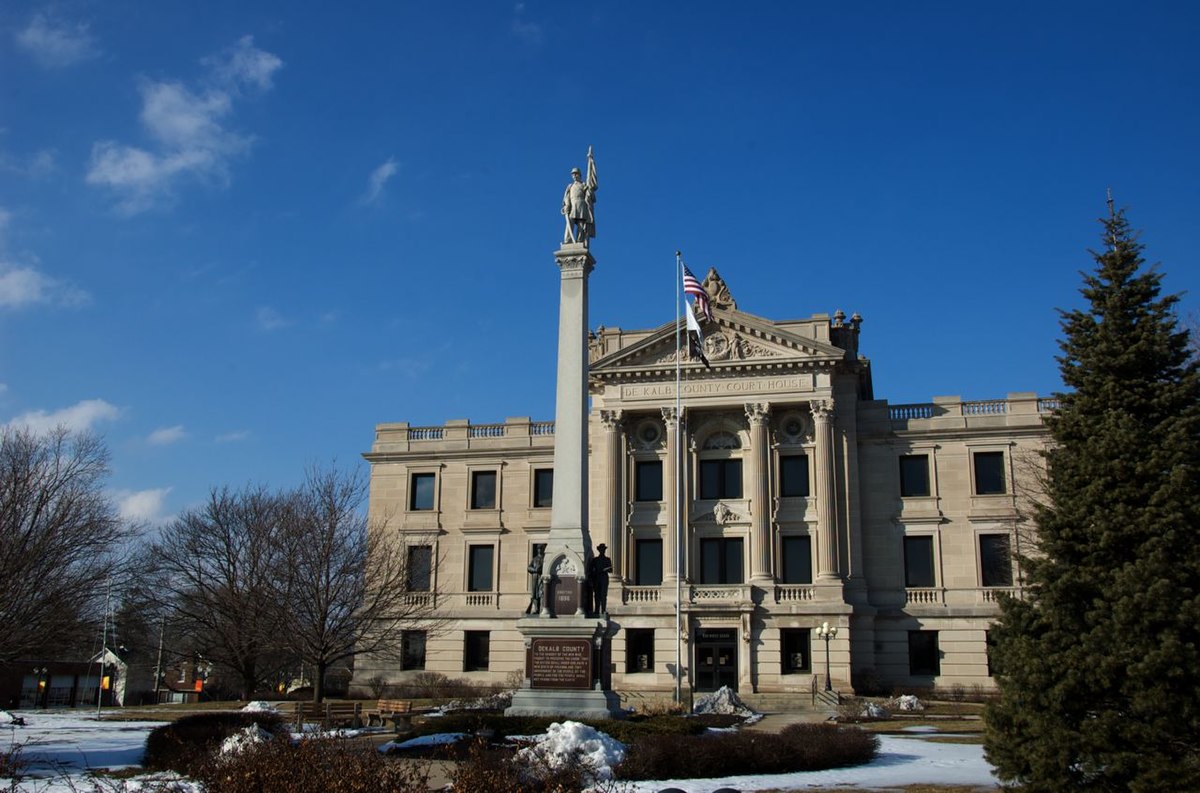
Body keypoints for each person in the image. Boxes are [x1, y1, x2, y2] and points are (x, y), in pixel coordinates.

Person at [589, 544, 613, 616]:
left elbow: (611, 570)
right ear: (599, 550)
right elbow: (591, 570)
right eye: (601, 549)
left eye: (604, 549)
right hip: (597, 578)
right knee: (597, 595)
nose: (603, 550)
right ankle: (596, 610)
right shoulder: (595, 560)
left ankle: (603, 610)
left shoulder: (607, 559)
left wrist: (606, 569)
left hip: (604, 579)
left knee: (603, 595)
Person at [526, 548, 545, 615]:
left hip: (541, 578)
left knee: (541, 593)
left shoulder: (545, 558)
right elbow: (528, 568)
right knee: (535, 595)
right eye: (539, 549)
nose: (539, 550)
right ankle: (536, 609)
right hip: (535, 578)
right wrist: (534, 570)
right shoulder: (535, 559)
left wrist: (540, 569)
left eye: (541, 548)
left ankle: (541, 609)